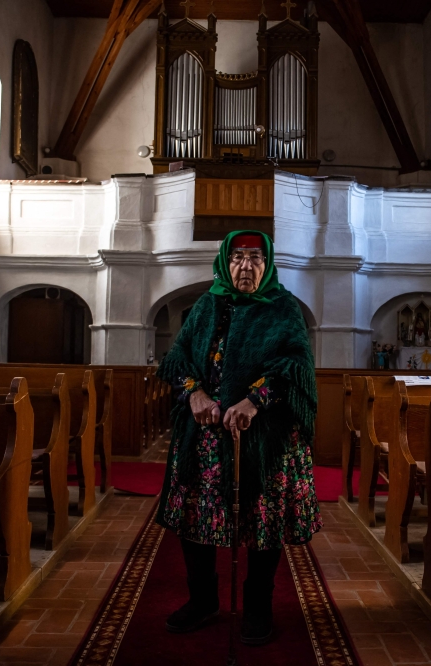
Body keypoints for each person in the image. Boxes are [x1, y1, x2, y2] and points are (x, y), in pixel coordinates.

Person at [156, 230, 321, 646]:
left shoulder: (283, 308)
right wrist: (194, 391)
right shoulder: (205, 306)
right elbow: (177, 358)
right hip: (207, 435)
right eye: (237, 258)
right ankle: (204, 600)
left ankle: (259, 606)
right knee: (196, 518)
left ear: (267, 264)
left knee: (261, 519)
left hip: (265, 437)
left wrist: (255, 400)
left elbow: (295, 364)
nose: (245, 267)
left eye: (255, 259)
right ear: (224, 262)